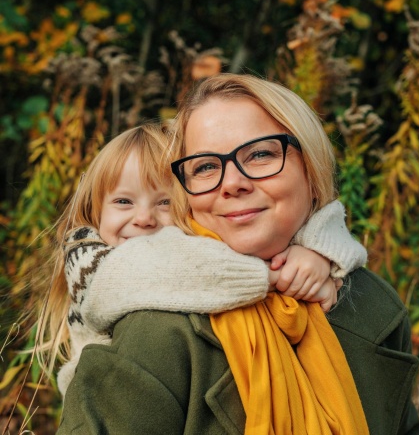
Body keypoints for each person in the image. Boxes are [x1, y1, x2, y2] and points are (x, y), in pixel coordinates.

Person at [57, 74, 419, 434]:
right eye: (206, 167)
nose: (232, 183)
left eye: (260, 153)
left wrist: (323, 254)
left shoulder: (374, 307)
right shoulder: (157, 331)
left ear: (312, 168)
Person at [43, 123, 367, 398]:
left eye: (165, 202)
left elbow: (302, 220)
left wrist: (317, 250)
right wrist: (275, 273)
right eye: (123, 201)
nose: (143, 218)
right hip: (108, 397)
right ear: (95, 209)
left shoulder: (200, 243)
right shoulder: (90, 260)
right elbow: (177, 268)